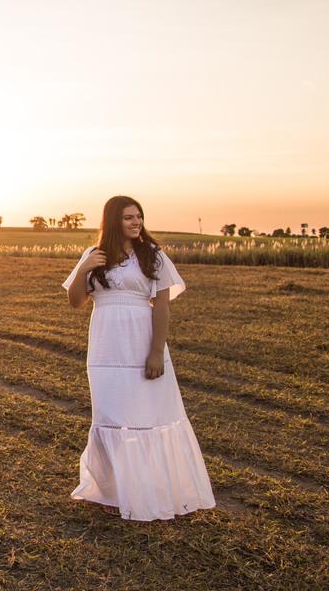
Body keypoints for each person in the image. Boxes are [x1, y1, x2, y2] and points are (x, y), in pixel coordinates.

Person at [62, 195, 215, 521]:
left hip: (142, 343)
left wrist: (157, 351)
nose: (136, 222)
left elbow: (161, 306)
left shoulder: (152, 256)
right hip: (105, 348)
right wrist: (83, 270)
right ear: (113, 220)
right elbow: (75, 301)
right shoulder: (94, 255)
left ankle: (151, 490)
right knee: (110, 415)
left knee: (147, 415)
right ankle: (111, 491)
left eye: (139, 217)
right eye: (129, 217)